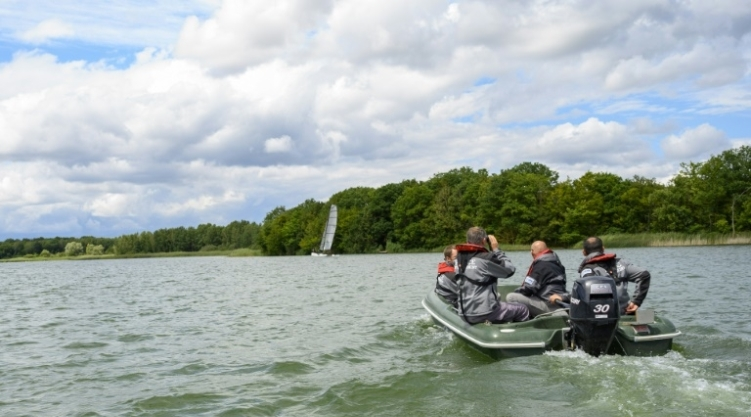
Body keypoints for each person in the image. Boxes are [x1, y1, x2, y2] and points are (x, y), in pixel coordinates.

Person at [455, 227, 529, 324]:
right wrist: (496, 250)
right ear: (484, 241)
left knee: (497, 298)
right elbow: (510, 270)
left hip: (463, 312)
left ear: (467, 240)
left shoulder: (459, 257)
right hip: (483, 314)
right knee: (522, 309)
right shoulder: (486, 258)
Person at [578, 236, 651, 314]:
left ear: (584, 252)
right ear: (603, 248)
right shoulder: (621, 263)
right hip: (625, 312)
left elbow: (587, 295)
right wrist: (637, 302)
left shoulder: (587, 270)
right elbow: (644, 275)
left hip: (602, 316)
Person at [506, 240, 568, 317]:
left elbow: (528, 288)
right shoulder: (557, 263)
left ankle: (523, 318)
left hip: (548, 304)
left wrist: (516, 292)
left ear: (532, 252)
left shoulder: (541, 265)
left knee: (511, 297)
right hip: (559, 302)